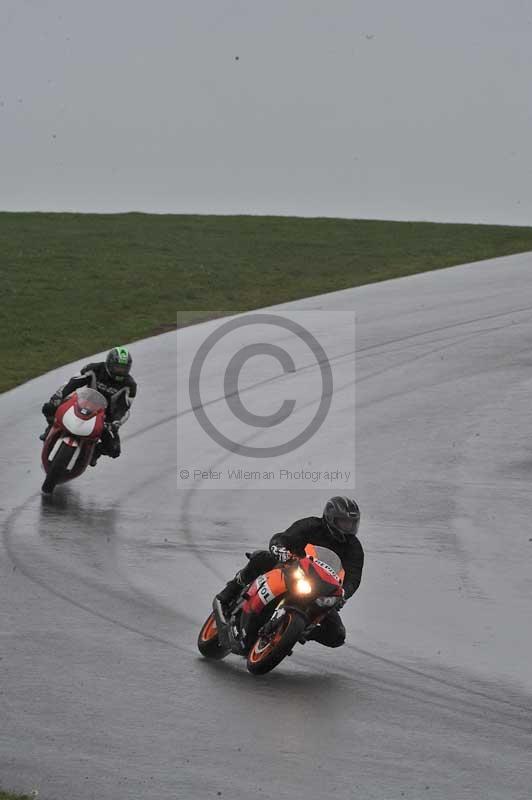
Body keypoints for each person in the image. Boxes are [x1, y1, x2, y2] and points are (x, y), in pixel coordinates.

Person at [217, 496, 364, 648]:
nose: (349, 527)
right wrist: (281, 549)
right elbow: (283, 538)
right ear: (330, 518)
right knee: (261, 558)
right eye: (344, 522)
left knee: (337, 635)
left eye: (352, 523)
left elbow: (354, 577)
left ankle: (297, 633)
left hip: (319, 589)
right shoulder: (311, 525)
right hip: (291, 569)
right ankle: (231, 590)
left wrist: (343, 594)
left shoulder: (354, 547)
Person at [40, 346, 137, 464]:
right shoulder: (94, 368)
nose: (120, 371)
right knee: (48, 408)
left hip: (106, 416)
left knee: (114, 450)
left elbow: (124, 408)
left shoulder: (130, 385)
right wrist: (59, 396)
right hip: (82, 403)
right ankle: (51, 427)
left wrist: (116, 423)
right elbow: (74, 382)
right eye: (117, 367)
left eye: (123, 369)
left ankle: (94, 452)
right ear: (109, 363)